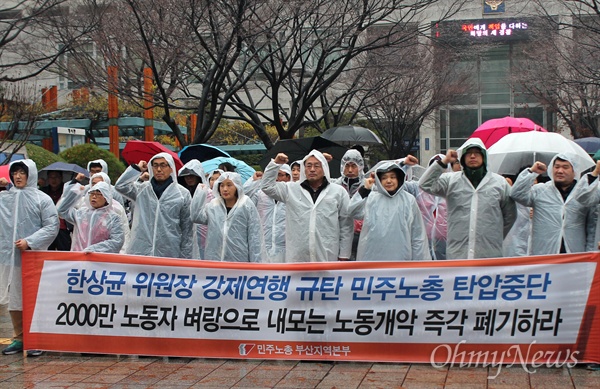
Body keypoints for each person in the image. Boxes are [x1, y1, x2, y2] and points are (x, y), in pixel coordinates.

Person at [419, 138, 516, 259]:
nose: (473, 156)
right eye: (469, 153)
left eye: (477, 153)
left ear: (484, 156)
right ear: (462, 158)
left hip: (489, 254)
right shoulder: (451, 180)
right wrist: (444, 161)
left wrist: (494, 235)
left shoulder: (499, 183)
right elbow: (424, 184)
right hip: (458, 254)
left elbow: (510, 215)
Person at [0, 160, 59, 356]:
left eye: (22, 173)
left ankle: (36, 339)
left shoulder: (42, 199)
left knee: (34, 298)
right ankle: (19, 338)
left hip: (33, 256)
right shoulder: (5, 198)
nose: (18, 176)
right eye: (14, 172)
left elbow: (52, 226)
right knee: (15, 299)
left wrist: (30, 241)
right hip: (10, 258)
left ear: (30, 174)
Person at [261, 150, 353, 262]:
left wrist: (344, 254)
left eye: (317, 165)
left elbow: (346, 225)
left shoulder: (338, 192)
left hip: (327, 257)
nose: (312, 169)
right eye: (308, 166)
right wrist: (275, 164)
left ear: (324, 168)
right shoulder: (291, 189)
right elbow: (266, 186)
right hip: (297, 257)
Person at [511, 153, 596, 255]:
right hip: (544, 255)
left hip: (575, 255)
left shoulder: (583, 194)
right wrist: (531, 172)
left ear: (575, 171)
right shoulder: (540, 190)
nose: (560, 171)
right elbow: (516, 194)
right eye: (556, 167)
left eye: (565, 167)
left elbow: (592, 228)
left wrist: (590, 253)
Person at [115, 153, 193, 259]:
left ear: (171, 168)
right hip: (140, 250)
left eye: (163, 165)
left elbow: (187, 229)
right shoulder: (142, 189)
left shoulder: (182, 194)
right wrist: (137, 169)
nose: (159, 169)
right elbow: (120, 186)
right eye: (155, 165)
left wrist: (185, 258)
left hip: (169, 252)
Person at [349, 161, 430, 261]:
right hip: (371, 257)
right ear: (379, 180)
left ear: (399, 178)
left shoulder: (409, 201)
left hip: (401, 258)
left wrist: (421, 265)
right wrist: (365, 190)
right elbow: (353, 212)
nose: (388, 181)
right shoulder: (371, 199)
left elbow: (417, 235)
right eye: (384, 178)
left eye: (392, 177)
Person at [191, 172, 263, 262]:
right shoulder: (213, 205)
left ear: (237, 187)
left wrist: (256, 264)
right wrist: (200, 193)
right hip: (215, 259)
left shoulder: (246, 205)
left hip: (239, 261)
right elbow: (196, 217)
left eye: (229, 185)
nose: (225, 189)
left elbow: (254, 236)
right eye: (222, 186)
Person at [403, 154, 449, 260]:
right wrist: (404, 166)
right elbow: (399, 185)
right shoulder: (418, 187)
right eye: (433, 167)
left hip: (446, 242)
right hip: (422, 240)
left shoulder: (452, 187)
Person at [57, 181, 125, 253]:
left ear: (106, 197)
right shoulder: (81, 213)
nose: (94, 197)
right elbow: (62, 211)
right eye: (92, 193)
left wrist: (94, 249)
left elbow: (117, 242)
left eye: (98, 194)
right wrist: (75, 193)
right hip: (79, 257)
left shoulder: (113, 218)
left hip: (100, 259)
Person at [244, 165, 291, 263]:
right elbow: (243, 198)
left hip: (286, 248)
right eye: (274, 175)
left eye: (280, 175)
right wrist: (254, 181)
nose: (277, 178)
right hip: (264, 247)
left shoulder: (292, 195)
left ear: (288, 177)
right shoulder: (260, 194)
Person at [332, 149, 365, 261]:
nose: (350, 170)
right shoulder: (335, 186)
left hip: (362, 235)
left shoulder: (367, 186)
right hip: (340, 234)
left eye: (354, 166)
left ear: (360, 166)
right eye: (347, 166)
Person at [178, 160, 206, 259]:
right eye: (186, 176)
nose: (189, 179)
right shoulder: (180, 195)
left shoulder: (207, 193)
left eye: (192, 176)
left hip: (204, 239)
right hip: (185, 237)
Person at [40, 170, 72, 251]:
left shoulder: (66, 191)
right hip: (47, 226)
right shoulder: (43, 191)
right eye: (51, 177)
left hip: (62, 226)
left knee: (64, 253)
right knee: (47, 252)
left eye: (56, 177)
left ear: (61, 178)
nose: (54, 180)